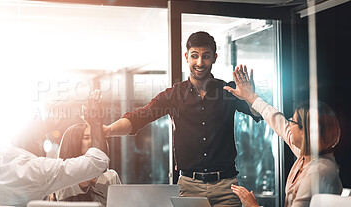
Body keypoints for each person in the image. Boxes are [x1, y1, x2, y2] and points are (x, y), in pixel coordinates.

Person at [103, 31, 261, 206]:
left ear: (214, 58)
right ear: (187, 57)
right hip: (189, 187)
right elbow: (138, 118)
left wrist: (250, 97)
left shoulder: (228, 91)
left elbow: (258, 113)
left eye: (206, 56)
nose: (200, 62)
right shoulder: (173, 95)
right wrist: (107, 131)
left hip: (226, 187)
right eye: (195, 56)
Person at [226, 65, 343, 207]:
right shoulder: (306, 156)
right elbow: (278, 122)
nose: (288, 125)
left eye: (292, 121)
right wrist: (252, 97)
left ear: (305, 132)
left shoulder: (317, 173)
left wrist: (253, 206)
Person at [0, 90, 109, 206]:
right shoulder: (38, 170)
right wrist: (96, 122)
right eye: (44, 138)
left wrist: (42, 127)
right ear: (36, 138)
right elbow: (97, 161)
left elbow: (27, 133)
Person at [54, 123, 121, 206]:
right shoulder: (61, 176)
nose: (92, 142)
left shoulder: (110, 176)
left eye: (95, 138)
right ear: (73, 142)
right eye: (86, 138)